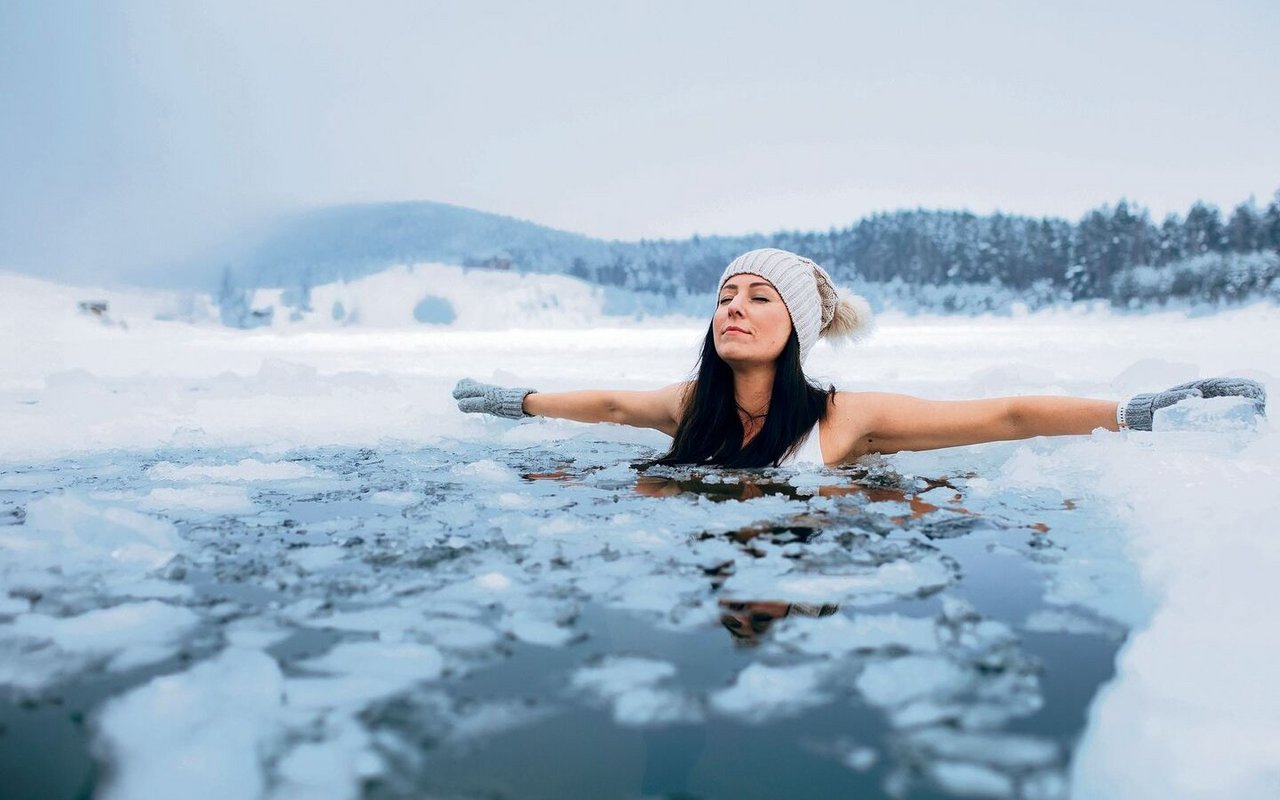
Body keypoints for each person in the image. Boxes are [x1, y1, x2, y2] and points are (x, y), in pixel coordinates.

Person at [453, 248, 1267, 468]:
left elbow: (1004, 416)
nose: (733, 307)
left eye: (758, 298)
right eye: (725, 295)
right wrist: (515, 400)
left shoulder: (847, 419)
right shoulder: (688, 404)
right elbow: (606, 405)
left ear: (798, 329)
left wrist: (1133, 412)